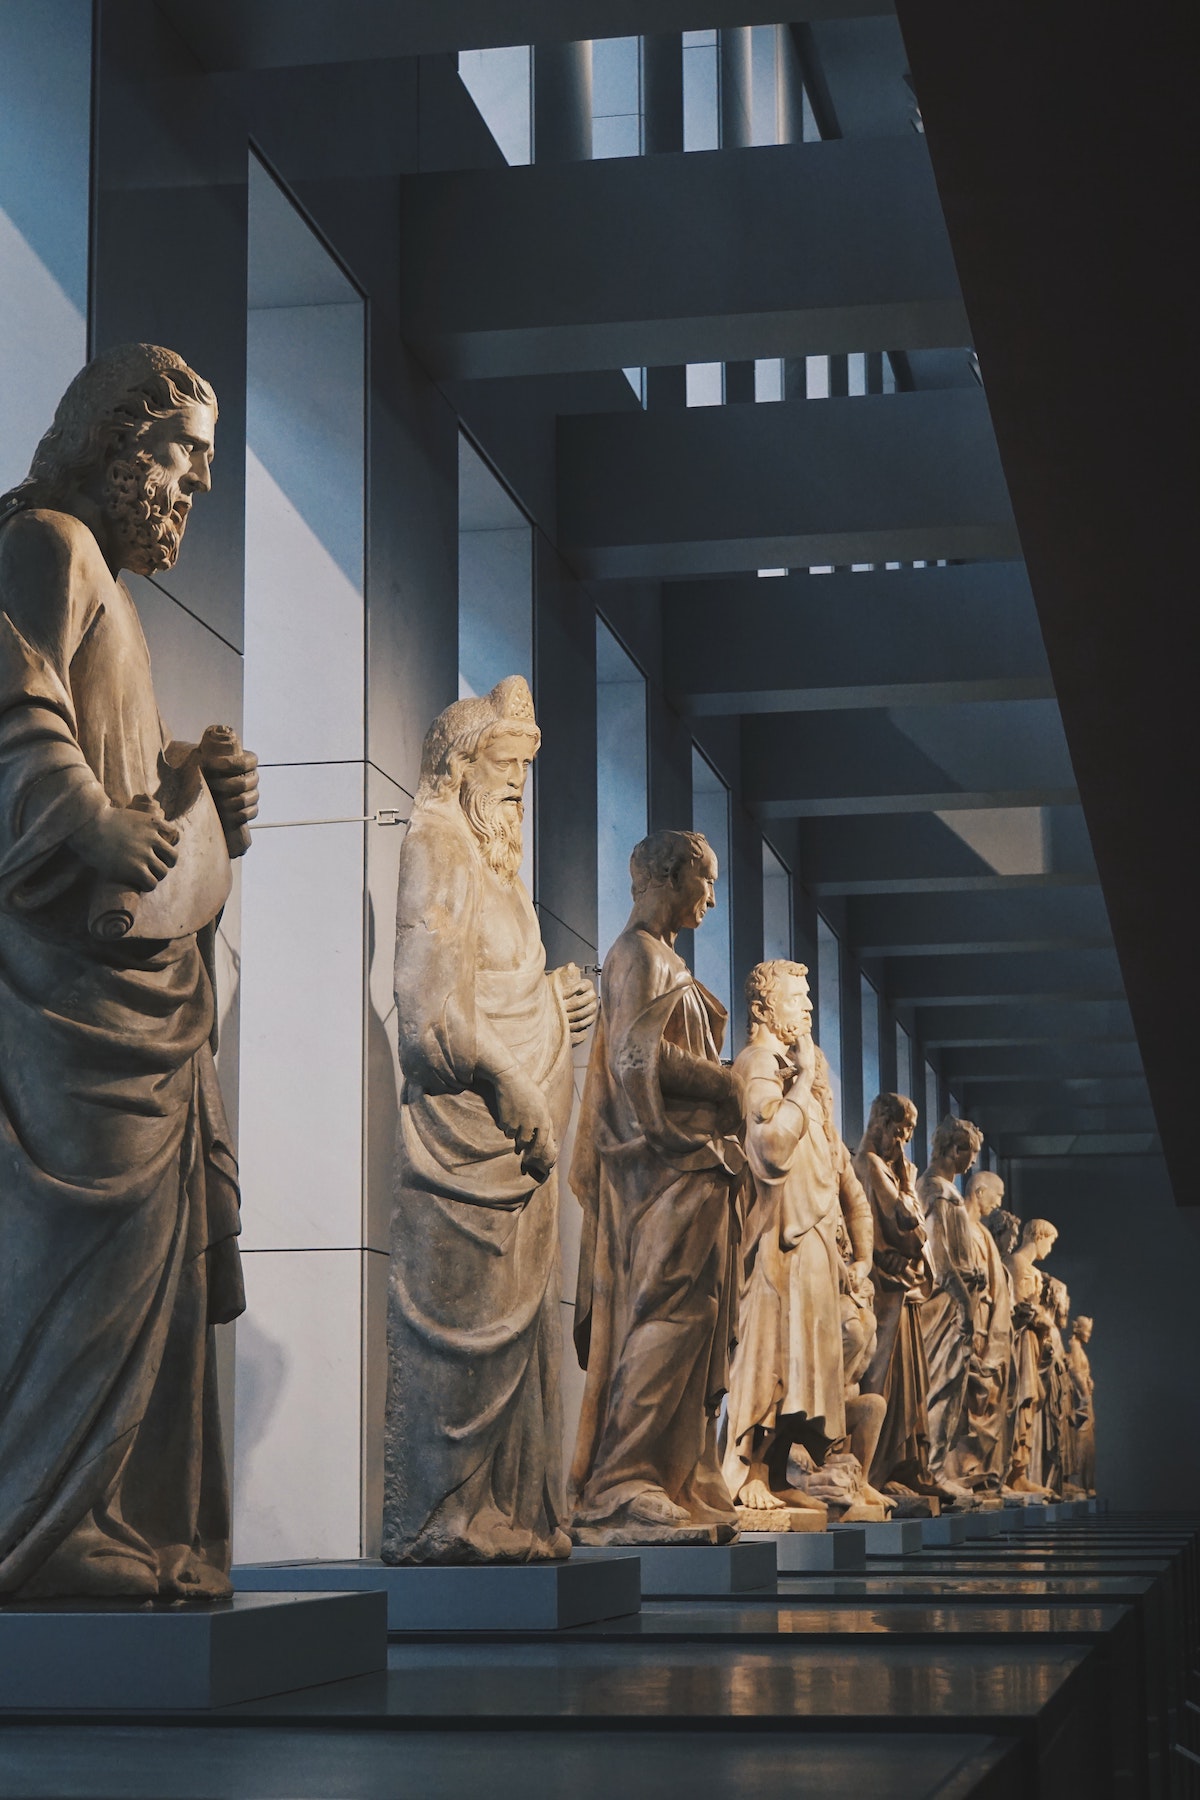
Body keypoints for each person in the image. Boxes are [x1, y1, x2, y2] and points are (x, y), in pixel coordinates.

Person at [0, 343, 258, 1600]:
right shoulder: (46, 541)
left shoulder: (110, 582)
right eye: (181, 457)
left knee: (143, 1244)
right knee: (79, 1243)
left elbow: (113, 755)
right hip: (63, 984)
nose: (191, 488)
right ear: (117, 437)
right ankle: (46, 1523)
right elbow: (16, 705)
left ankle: (111, 1505)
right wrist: (91, 819)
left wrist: (192, 789)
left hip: (123, 979)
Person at [384, 676, 596, 1564]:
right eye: (505, 769)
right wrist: (511, 1083)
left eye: (524, 775)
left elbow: (495, 987)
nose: (516, 789)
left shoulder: (497, 868)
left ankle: (498, 1507)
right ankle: (442, 1517)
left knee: (518, 1332)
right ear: (462, 763)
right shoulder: (436, 841)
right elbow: (427, 1007)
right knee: (466, 1330)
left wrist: (550, 1000)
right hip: (469, 1141)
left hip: (517, 1151)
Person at [570, 829, 744, 1546]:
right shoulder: (636, 955)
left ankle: (672, 1475)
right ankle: (622, 1481)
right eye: (705, 882)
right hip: (660, 1164)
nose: (710, 897)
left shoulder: (661, 958)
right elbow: (637, 1055)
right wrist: (719, 1082)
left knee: (694, 1316)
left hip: (692, 1164)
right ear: (670, 876)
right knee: (666, 1311)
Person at [722, 959, 875, 1523]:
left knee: (803, 1365)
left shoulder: (794, 1066)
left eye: (810, 999)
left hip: (807, 1233)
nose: (809, 1007)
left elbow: (834, 1171)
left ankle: (781, 1463)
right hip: (773, 1238)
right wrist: (804, 1078)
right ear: (763, 1009)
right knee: (768, 1354)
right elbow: (768, 1148)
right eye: (797, 999)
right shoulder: (761, 1063)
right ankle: (748, 1470)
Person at [853, 1093, 940, 1497]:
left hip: (900, 1290)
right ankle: (877, 1471)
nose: (903, 1141)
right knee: (883, 1378)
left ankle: (900, 1468)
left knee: (907, 1384)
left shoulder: (884, 1168)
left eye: (908, 1133)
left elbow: (916, 1233)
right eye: (900, 1130)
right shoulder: (871, 1166)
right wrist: (907, 1183)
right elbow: (908, 1224)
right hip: (883, 1292)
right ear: (882, 1123)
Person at [916, 1115, 986, 1492]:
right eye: (970, 1154)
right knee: (939, 1382)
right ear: (954, 1149)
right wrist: (964, 1301)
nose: (971, 1162)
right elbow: (940, 1259)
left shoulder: (947, 1191)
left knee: (953, 1384)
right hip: (943, 1303)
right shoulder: (933, 1190)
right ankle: (931, 1468)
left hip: (957, 1298)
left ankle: (938, 1466)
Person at [959, 1170, 1014, 1490]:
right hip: (967, 1324)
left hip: (985, 1326)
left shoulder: (981, 1234)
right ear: (979, 1192)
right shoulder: (959, 1225)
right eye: (998, 1194)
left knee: (988, 1397)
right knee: (968, 1401)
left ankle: (983, 1471)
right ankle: (966, 1470)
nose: (1000, 1200)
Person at [1002, 1218, 1058, 1496]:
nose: (1050, 1248)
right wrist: (1039, 1317)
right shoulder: (1016, 1264)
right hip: (1019, 1343)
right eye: (1050, 1241)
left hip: (1031, 1345)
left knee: (1030, 1403)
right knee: (1018, 1402)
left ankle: (1019, 1473)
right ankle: (1011, 1473)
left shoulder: (1033, 1271)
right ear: (1039, 1236)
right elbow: (1014, 1307)